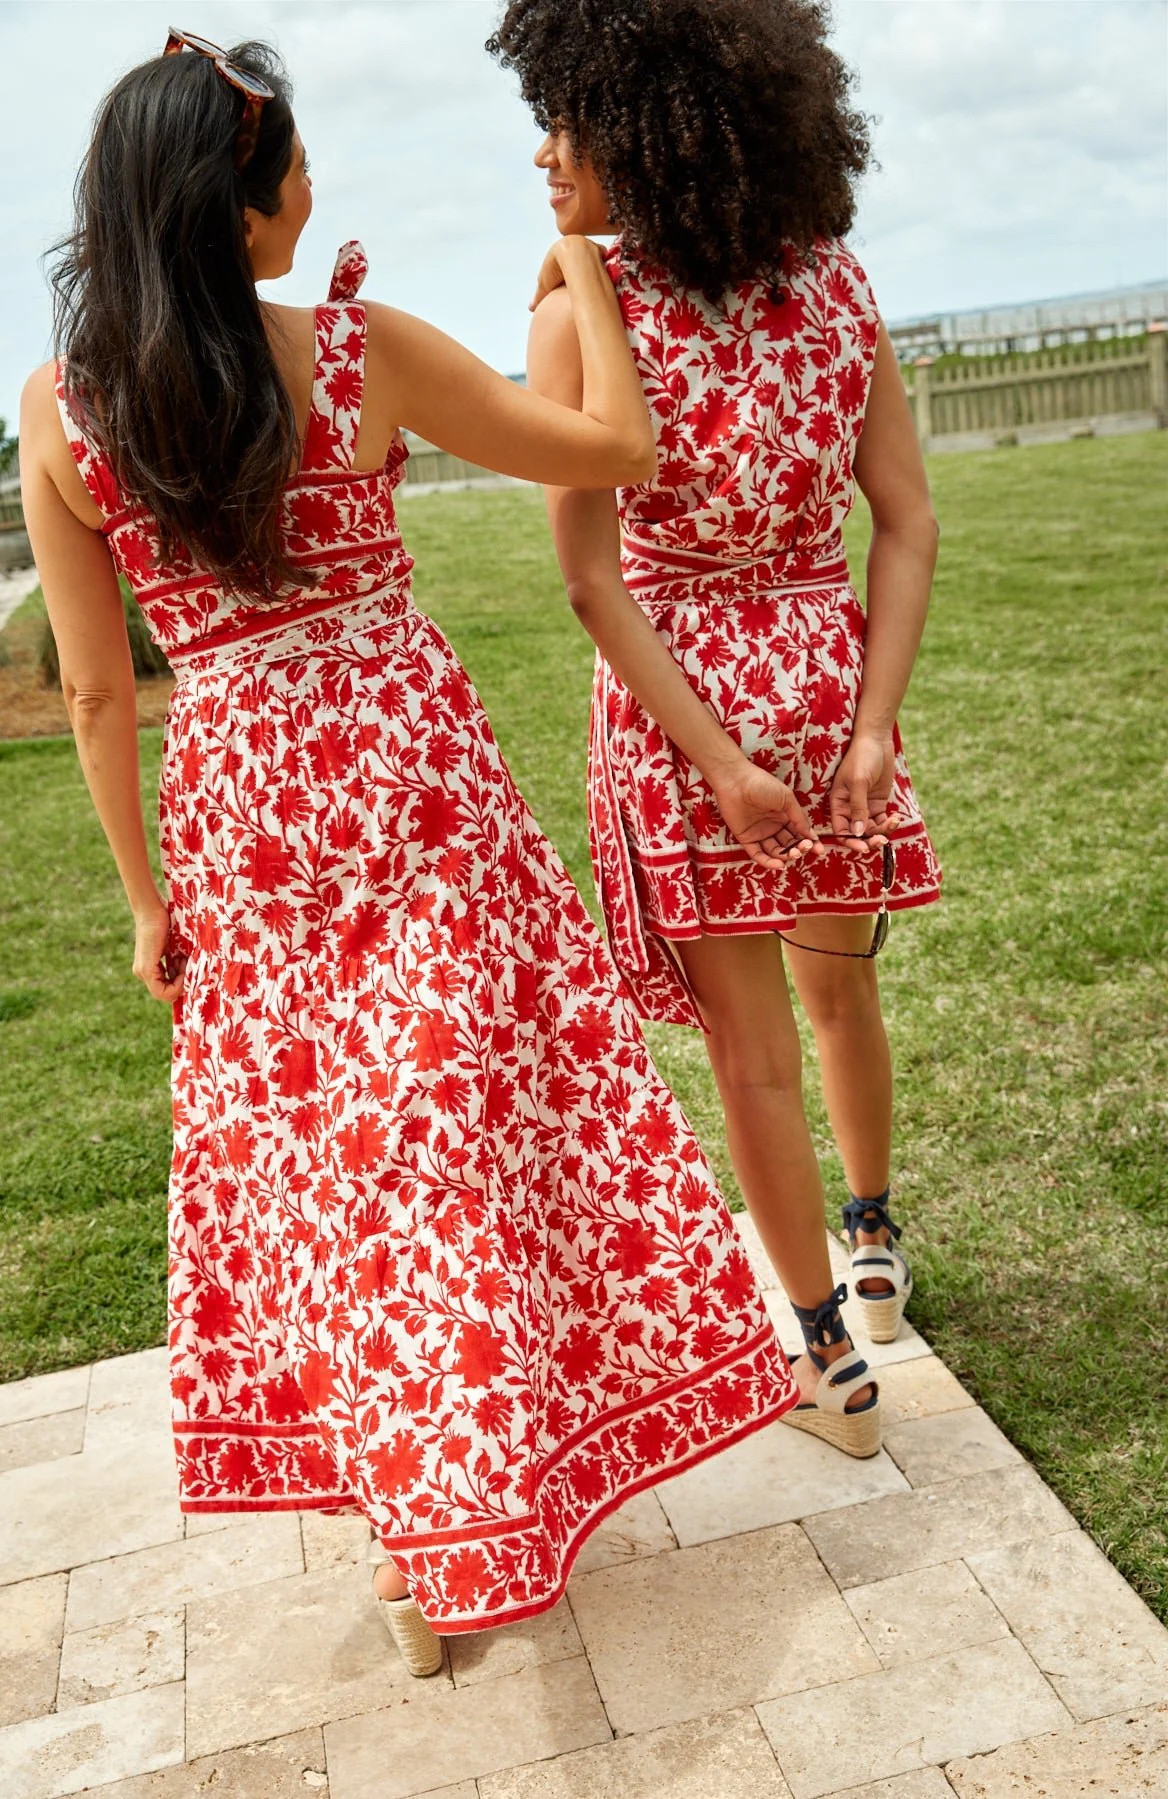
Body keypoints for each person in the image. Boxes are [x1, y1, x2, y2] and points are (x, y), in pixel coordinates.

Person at [19, 33, 802, 1676]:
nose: (314, 186)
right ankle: (483, 1502)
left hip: (242, 817)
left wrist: (148, 902)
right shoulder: (360, 357)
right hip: (405, 790)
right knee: (448, 1152)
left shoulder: (61, 413)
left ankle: (410, 1532)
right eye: (290, 164)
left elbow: (99, 690)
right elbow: (615, 452)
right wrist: (583, 264)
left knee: (332, 1180)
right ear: (238, 211)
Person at [489, 0, 942, 1460]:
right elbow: (909, 526)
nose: (544, 153)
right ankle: (871, 1247)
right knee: (838, 996)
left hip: (687, 718)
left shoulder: (583, 313)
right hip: (824, 693)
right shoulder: (835, 281)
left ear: (654, 136)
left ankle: (828, 1360)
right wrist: (869, 731)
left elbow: (589, 576)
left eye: (570, 123)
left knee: (755, 1051)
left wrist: (724, 764)